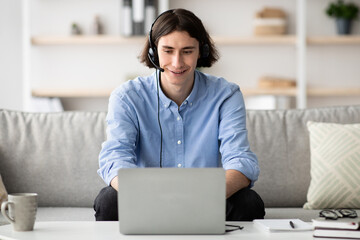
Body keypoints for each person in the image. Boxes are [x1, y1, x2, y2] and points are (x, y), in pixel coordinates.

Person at [94, 8, 265, 221]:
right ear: (153, 52)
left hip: (206, 200)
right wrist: (151, 197)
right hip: (146, 200)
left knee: (249, 202)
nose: (177, 62)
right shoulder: (127, 97)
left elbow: (240, 159)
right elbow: (115, 158)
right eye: (168, 50)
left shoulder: (226, 95)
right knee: (108, 201)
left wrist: (199, 197)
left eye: (187, 51)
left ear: (200, 51)